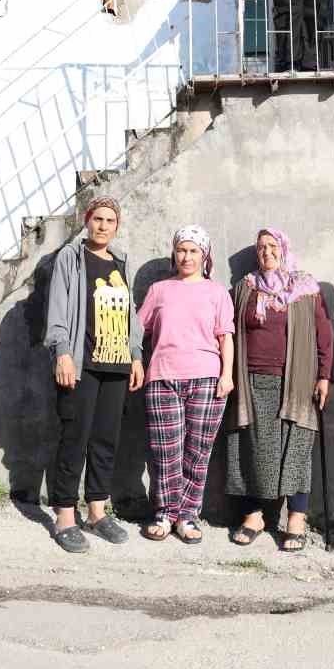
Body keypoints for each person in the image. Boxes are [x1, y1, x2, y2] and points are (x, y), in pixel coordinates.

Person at [42, 195, 144, 553]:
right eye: (97, 219)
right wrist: (63, 353)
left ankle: (97, 511)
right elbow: (57, 309)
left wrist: (135, 355)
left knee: (105, 440)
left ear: (117, 226)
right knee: (75, 437)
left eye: (110, 221)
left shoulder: (120, 262)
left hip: (116, 365)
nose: (103, 225)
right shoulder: (70, 258)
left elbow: (131, 314)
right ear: (87, 221)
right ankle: (65, 515)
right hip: (82, 364)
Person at [222, 227, 334, 552]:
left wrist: (324, 376)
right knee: (257, 450)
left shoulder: (304, 288)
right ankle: (255, 515)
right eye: (261, 248)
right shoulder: (244, 288)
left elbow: (323, 334)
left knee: (296, 449)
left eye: (272, 246)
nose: (267, 252)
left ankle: (296, 518)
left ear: (284, 249)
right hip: (254, 381)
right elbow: (228, 330)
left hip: (297, 383)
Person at [138, 225, 235, 544]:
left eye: (194, 250)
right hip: (163, 377)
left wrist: (227, 375)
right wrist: (136, 361)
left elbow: (226, 337)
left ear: (204, 255)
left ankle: (188, 515)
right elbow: (138, 332)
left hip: (207, 377)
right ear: (174, 253)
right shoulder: (159, 290)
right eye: (182, 250)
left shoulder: (217, 292)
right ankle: (165, 512)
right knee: (167, 451)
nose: (187, 256)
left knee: (198, 451)